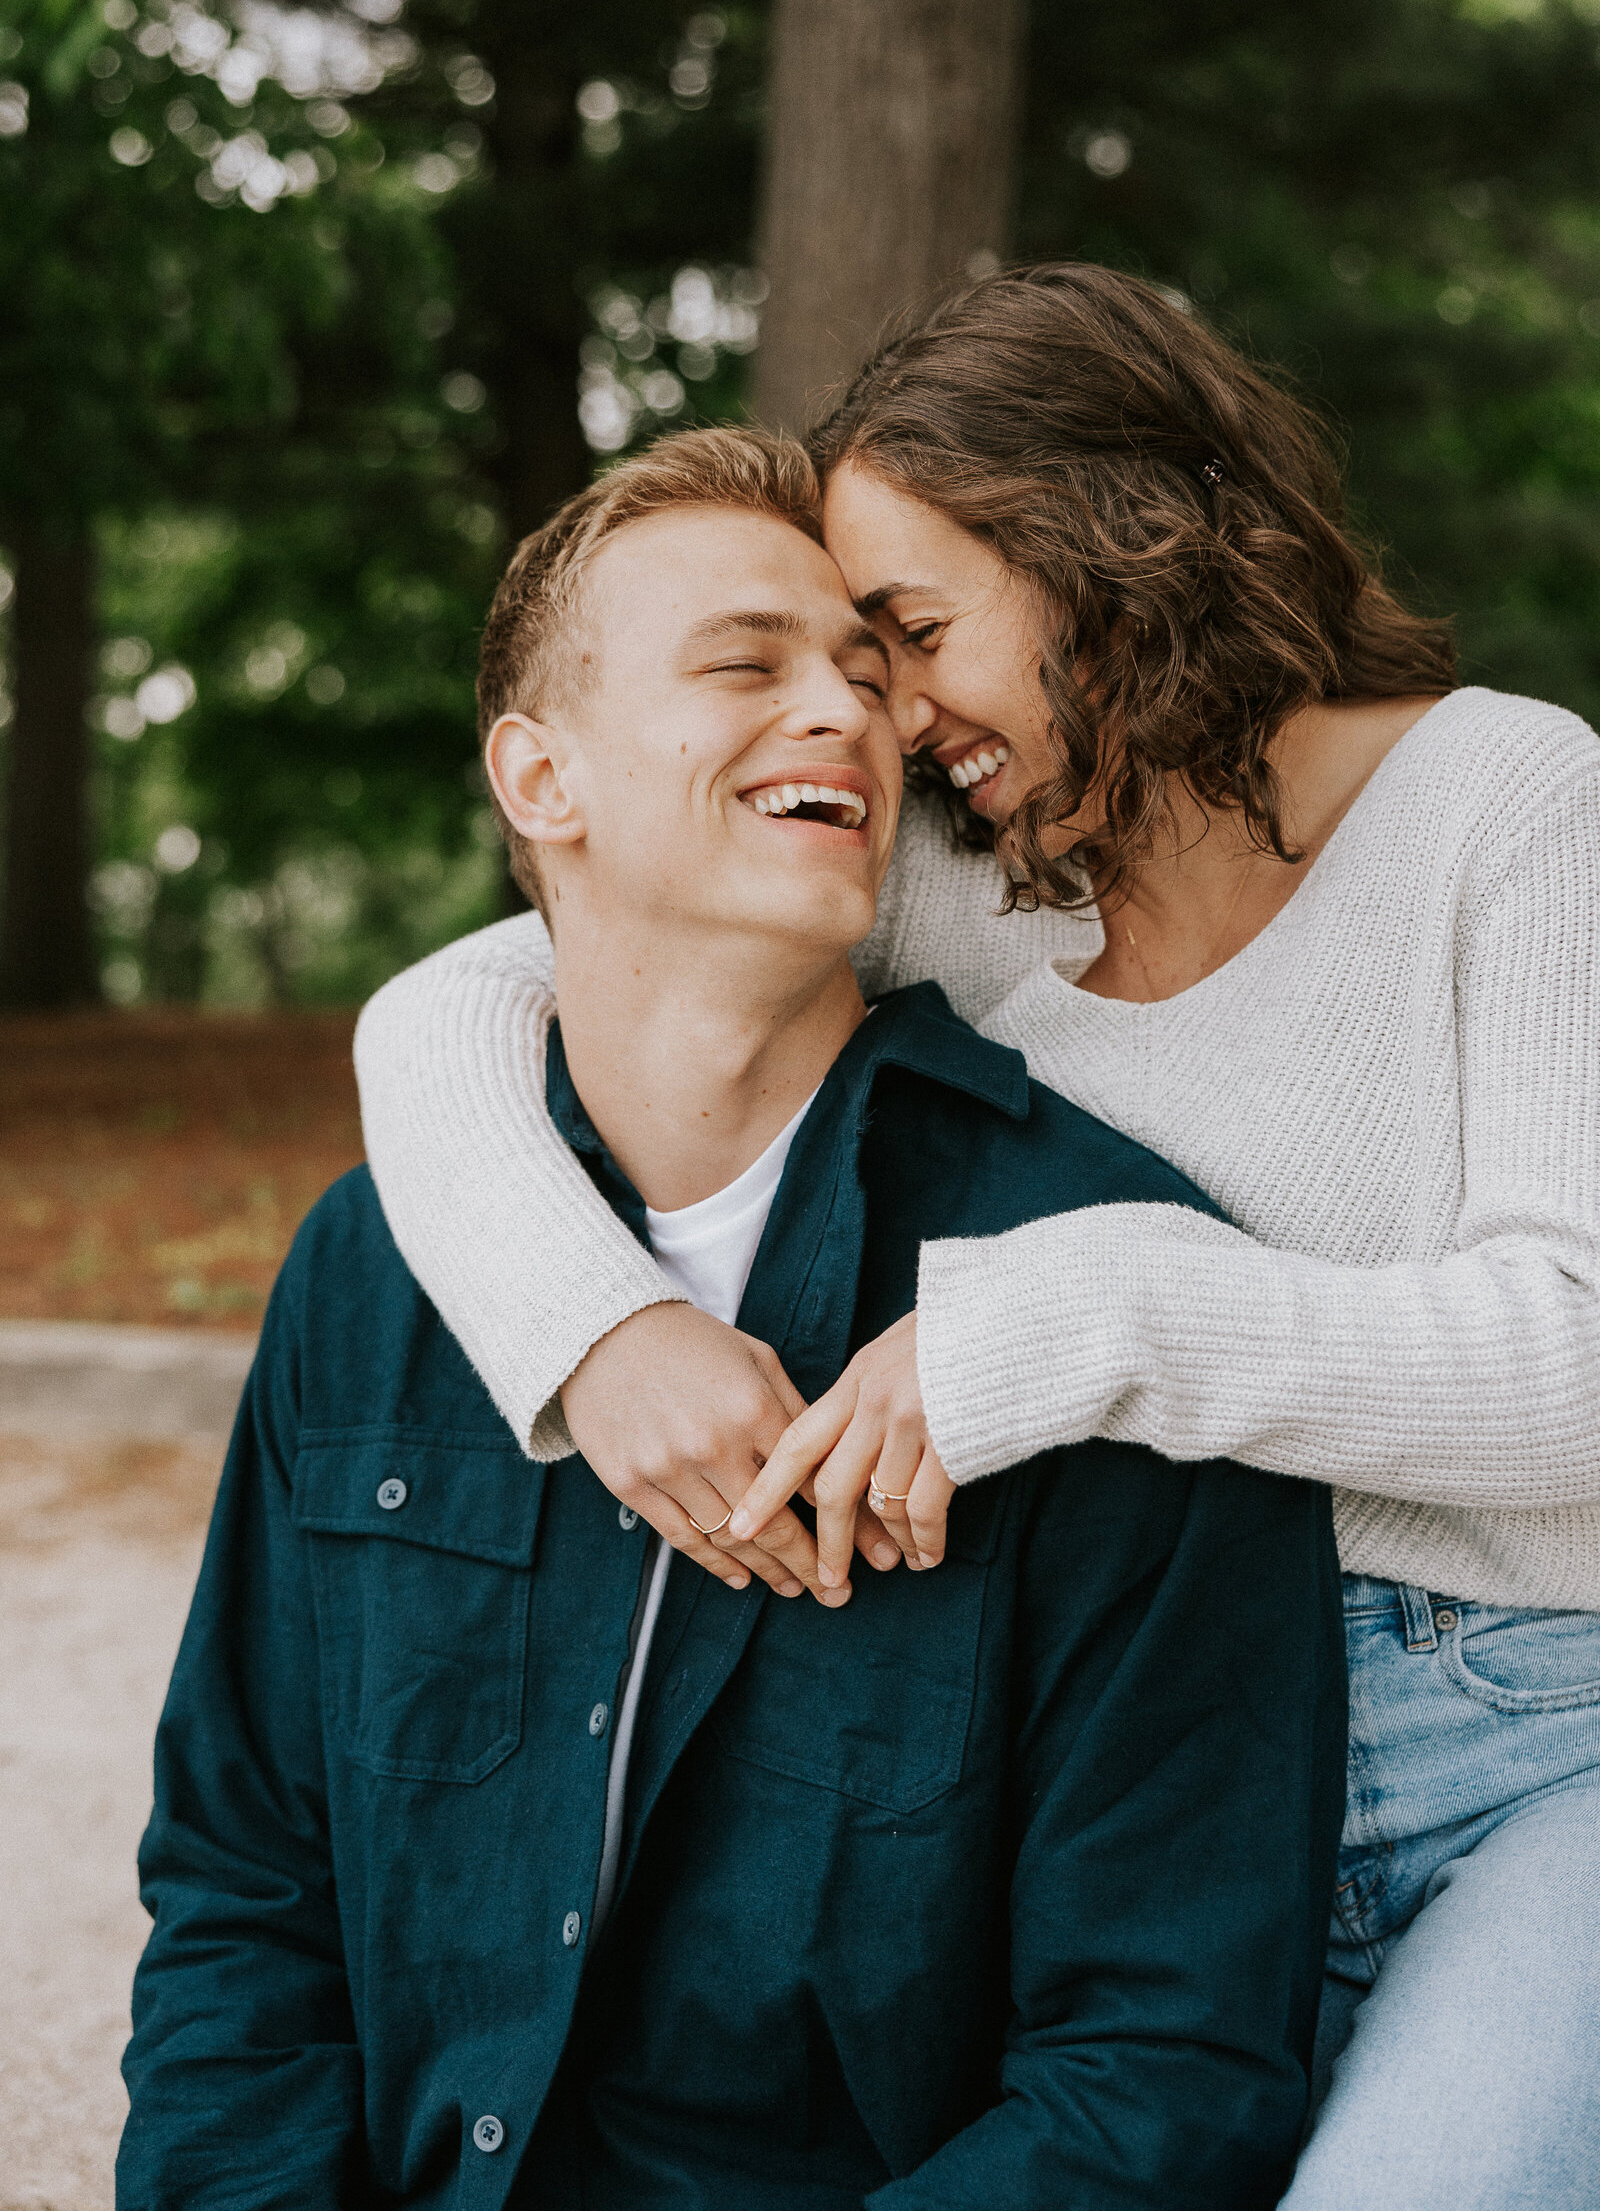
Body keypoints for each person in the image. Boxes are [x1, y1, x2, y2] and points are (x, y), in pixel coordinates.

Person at [354, 267, 1600, 2211]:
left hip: (1529, 1749)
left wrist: (1083, 1306)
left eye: (913, 634)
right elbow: (451, 1008)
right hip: (1118, 1792)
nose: (887, 713)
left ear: (1115, 543)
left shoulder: (1504, 801)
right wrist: (592, 1334)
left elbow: (1577, 1364)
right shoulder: (966, 881)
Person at [119, 429, 1345, 2211]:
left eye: (867, 670)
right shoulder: (376, 1272)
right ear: (543, 777)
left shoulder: (1103, 1293)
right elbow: (244, 1894)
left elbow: (1162, 2074)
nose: (847, 713)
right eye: (745, 664)